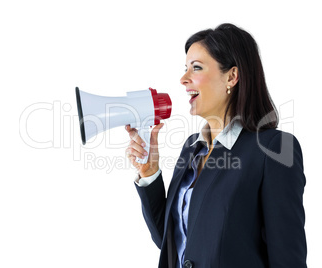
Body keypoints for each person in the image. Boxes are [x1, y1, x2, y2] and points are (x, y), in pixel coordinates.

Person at [125, 23, 307, 268]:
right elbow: (169, 241)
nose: (183, 79)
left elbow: (287, 259)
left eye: (196, 68)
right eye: (185, 68)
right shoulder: (192, 148)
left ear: (231, 76)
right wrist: (149, 174)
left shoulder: (273, 149)